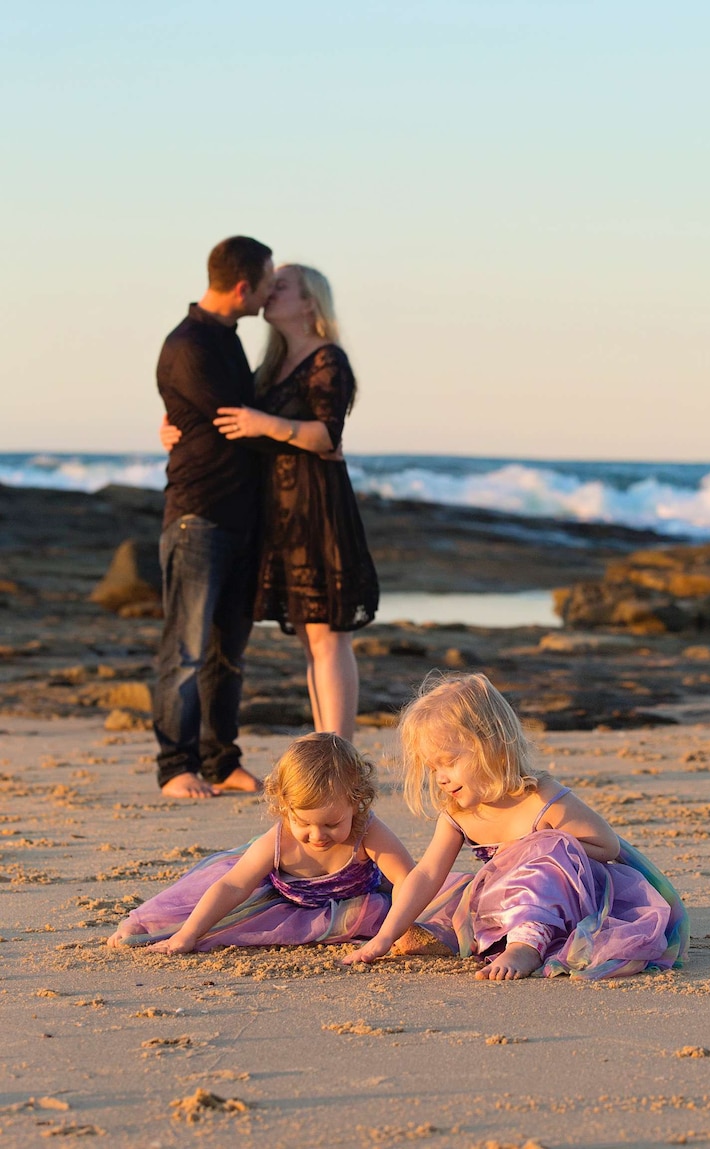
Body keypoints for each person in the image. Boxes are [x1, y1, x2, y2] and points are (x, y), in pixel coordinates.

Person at [343, 673, 689, 981]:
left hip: (575, 898)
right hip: (507, 900)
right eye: (434, 768)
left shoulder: (541, 797)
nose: (441, 778)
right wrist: (385, 936)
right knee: (453, 895)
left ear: (492, 745)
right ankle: (476, 937)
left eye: (449, 762)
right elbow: (427, 873)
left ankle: (527, 945)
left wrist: (541, 845)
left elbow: (608, 847)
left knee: (545, 852)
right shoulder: (457, 814)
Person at [163, 263, 379, 742]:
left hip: (316, 509)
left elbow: (327, 434)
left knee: (328, 636)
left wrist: (267, 425)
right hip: (279, 514)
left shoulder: (328, 359)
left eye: (280, 288)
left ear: (308, 302)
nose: (268, 294)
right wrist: (173, 426)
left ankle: (338, 753)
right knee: (310, 639)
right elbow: (222, 416)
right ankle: (328, 748)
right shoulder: (271, 364)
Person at [153, 236, 276, 800]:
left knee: (228, 652)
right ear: (244, 286)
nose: (271, 291)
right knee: (186, 648)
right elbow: (239, 425)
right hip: (197, 517)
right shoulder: (190, 344)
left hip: (240, 520)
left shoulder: (224, 339)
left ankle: (221, 761)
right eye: (268, 281)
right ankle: (175, 766)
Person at [106, 732, 414, 953]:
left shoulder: (367, 830)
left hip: (353, 903)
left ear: (356, 801)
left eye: (332, 824)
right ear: (284, 807)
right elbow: (232, 887)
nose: (317, 835)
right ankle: (146, 925)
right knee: (203, 912)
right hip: (275, 901)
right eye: (304, 823)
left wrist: (394, 932)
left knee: (398, 909)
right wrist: (188, 935)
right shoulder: (279, 841)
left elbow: (407, 878)